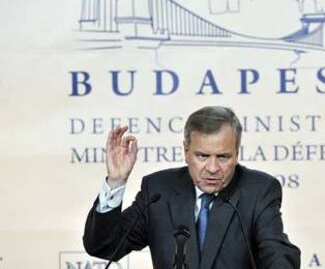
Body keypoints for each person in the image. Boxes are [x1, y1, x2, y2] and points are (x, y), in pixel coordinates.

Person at [83, 106, 300, 268]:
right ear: (186, 151)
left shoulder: (258, 190)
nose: (213, 168)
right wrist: (116, 182)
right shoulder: (160, 190)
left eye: (223, 157)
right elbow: (104, 246)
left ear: (237, 154)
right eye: (203, 156)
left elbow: (277, 253)